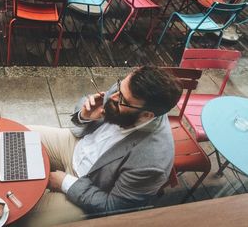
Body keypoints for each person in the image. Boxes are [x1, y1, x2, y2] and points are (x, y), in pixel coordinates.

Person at [15, 66, 183, 227]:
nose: (113, 97)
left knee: (22, 215)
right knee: (17, 137)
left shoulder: (152, 162)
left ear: (147, 115)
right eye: (119, 87)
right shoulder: (125, 92)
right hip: (74, 146)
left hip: (91, 186)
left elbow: (114, 207)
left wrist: (65, 183)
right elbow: (90, 102)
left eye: (122, 100)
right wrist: (85, 115)